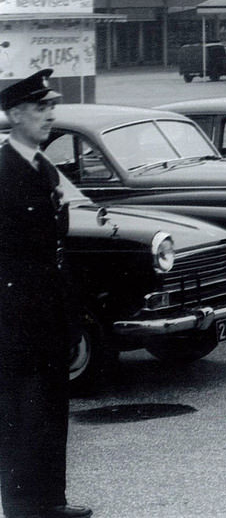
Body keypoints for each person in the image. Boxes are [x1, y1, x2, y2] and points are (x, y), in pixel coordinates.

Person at [0, 70, 92, 518]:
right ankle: (21, 504)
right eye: (41, 109)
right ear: (15, 114)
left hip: (50, 313)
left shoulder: (43, 166)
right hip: (16, 319)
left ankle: (50, 499)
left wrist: (70, 318)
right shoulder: (4, 171)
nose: (50, 116)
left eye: (52, 107)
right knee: (21, 414)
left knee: (52, 411)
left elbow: (58, 252)